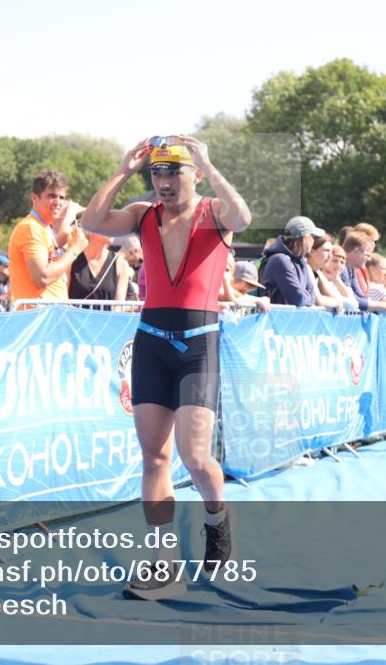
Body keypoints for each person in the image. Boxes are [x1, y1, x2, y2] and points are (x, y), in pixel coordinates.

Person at [80, 135, 251, 601]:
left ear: (192, 173)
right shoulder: (143, 215)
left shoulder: (214, 212)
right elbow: (91, 220)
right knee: (154, 457)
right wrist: (120, 171)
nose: (164, 182)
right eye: (156, 173)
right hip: (152, 340)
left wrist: (210, 164)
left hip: (198, 344)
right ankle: (164, 564)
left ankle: (217, 516)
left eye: (174, 171)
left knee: (194, 455)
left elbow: (243, 217)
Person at [8, 170, 88, 304]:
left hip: (48, 317)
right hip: (39, 318)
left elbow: (50, 259)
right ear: (34, 197)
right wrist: (75, 250)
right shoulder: (31, 228)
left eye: (62, 197)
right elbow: (42, 278)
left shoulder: (42, 227)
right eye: (52, 196)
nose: (58, 202)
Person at [260, 216, 323, 307]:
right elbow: (298, 299)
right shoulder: (279, 260)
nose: (314, 241)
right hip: (275, 319)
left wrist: (305, 297)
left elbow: (312, 297)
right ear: (305, 238)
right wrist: (306, 296)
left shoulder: (301, 262)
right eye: (313, 237)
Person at [69, 229, 129, 304]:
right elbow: (63, 298)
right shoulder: (72, 259)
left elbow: (118, 306)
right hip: (75, 315)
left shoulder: (121, 264)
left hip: (107, 315)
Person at [304, 234, 346, 312]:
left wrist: (338, 301)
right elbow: (318, 300)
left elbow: (338, 298)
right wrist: (338, 302)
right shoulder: (306, 268)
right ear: (312, 252)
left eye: (330, 251)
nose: (330, 255)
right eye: (326, 250)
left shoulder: (318, 272)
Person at [339, 233, 372, 311]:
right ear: (356, 251)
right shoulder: (340, 268)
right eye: (367, 255)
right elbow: (356, 301)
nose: (369, 259)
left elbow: (360, 296)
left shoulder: (351, 268)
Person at [324, 245, 360, 310]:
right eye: (335, 261)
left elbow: (355, 305)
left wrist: (337, 280)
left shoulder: (337, 281)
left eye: (342, 262)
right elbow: (351, 307)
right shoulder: (320, 279)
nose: (339, 265)